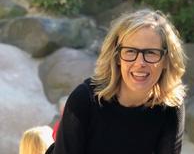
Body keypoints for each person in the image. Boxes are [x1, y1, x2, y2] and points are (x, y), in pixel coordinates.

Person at [46, 9, 186, 154]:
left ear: (166, 60)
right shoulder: (84, 100)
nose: (140, 63)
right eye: (130, 51)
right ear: (117, 56)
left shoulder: (171, 107)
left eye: (151, 53)